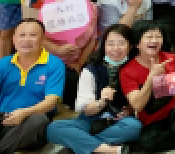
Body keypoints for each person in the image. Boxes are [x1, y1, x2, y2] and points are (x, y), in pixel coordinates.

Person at [46, 24, 142, 154]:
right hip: (90, 121)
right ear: (104, 46)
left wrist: (130, 109)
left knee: (134, 127)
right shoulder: (91, 69)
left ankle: (80, 145)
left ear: (130, 46)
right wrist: (101, 101)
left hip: (118, 122)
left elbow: (139, 102)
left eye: (121, 43)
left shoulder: (135, 68)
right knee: (53, 128)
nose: (116, 48)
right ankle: (110, 150)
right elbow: (86, 110)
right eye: (110, 44)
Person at [120, 20, 175, 152]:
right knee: (146, 143)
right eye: (149, 37)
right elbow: (137, 105)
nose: (154, 40)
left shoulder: (171, 59)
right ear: (137, 43)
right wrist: (152, 78)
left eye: (158, 36)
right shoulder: (127, 70)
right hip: (153, 118)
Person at [0, 19, 65, 154]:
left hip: (33, 120)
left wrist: (24, 113)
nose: (26, 40)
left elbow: (51, 102)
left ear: (42, 39)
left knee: (38, 121)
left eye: (33, 35)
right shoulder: (3, 63)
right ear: (14, 39)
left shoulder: (54, 64)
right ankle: (6, 142)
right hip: (5, 118)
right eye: (22, 35)